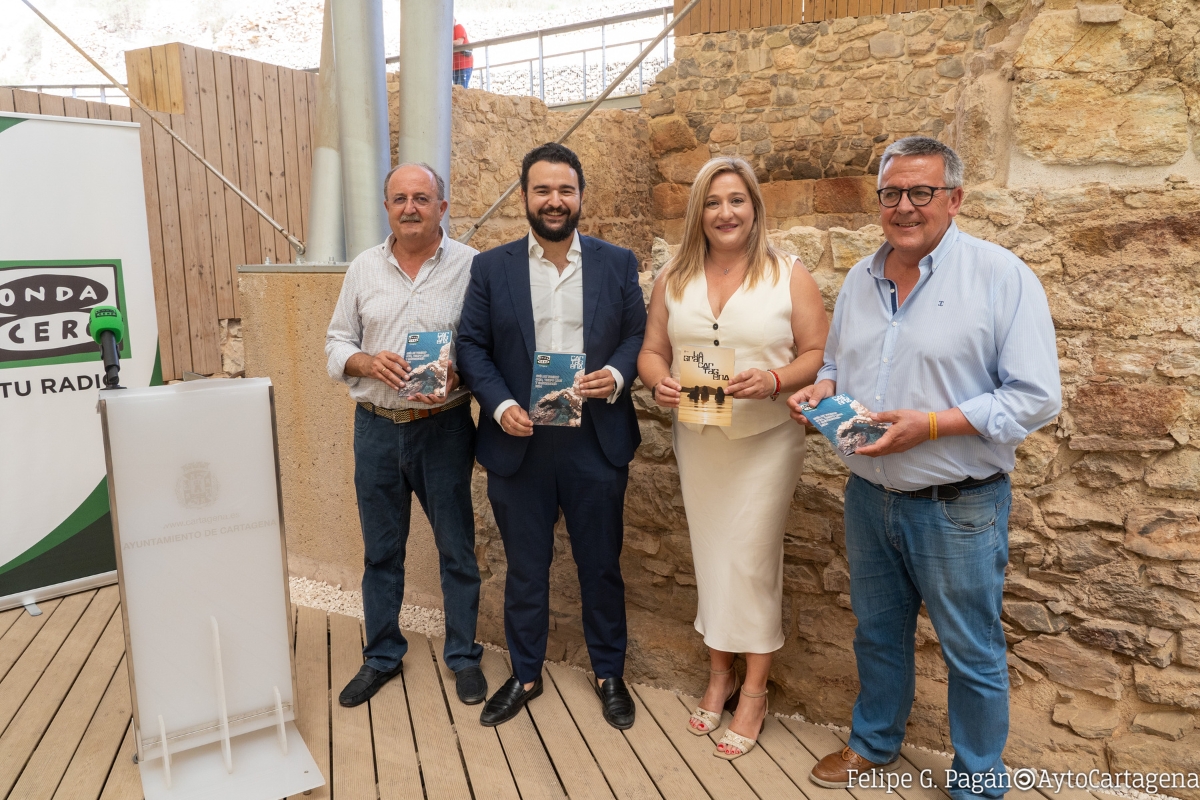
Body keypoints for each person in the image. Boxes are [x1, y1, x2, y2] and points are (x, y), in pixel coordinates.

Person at [790, 136, 1061, 798]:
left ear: (954, 199)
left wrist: (931, 426)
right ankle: (873, 743)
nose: (905, 206)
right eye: (892, 193)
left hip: (958, 504)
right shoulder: (860, 279)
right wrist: (822, 390)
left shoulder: (1001, 276)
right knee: (877, 635)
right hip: (869, 496)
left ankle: (978, 780)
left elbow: (1035, 397)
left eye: (921, 192)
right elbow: (837, 362)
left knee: (972, 651)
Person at [636, 156, 828, 760]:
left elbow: (816, 353)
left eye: (737, 200)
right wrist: (659, 382)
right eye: (714, 201)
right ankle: (719, 675)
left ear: (754, 207)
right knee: (713, 558)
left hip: (767, 442)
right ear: (699, 211)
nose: (726, 212)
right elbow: (651, 351)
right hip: (700, 439)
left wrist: (774, 380)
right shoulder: (673, 278)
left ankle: (754, 691)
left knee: (751, 561)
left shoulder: (787, 274)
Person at [456, 142, 646, 730]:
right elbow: (471, 346)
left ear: (581, 195)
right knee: (525, 569)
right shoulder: (492, 267)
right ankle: (525, 673)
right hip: (521, 443)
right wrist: (500, 404)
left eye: (565, 189)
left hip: (597, 441)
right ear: (525, 197)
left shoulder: (617, 263)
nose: (554, 200)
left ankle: (609, 673)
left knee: (601, 567)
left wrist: (616, 375)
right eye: (542, 190)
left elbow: (637, 336)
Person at [325, 163, 487, 709]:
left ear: (442, 207)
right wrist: (367, 362)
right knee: (381, 553)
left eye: (421, 198)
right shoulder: (363, 268)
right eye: (400, 199)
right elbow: (336, 342)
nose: (410, 208)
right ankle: (381, 656)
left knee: (456, 549)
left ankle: (463, 656)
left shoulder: (472, 266)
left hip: (443, 429)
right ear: (387, 207)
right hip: (375, 428)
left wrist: (462, 374)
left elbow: (488, 344)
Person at [453, 18, 473, 88]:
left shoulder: (458, 27)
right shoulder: (446, 32)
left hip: (464, 65)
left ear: (455, 20)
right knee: (457, 90)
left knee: (461, 90)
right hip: (454, 67)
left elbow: (459, 42)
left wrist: (446, 42)